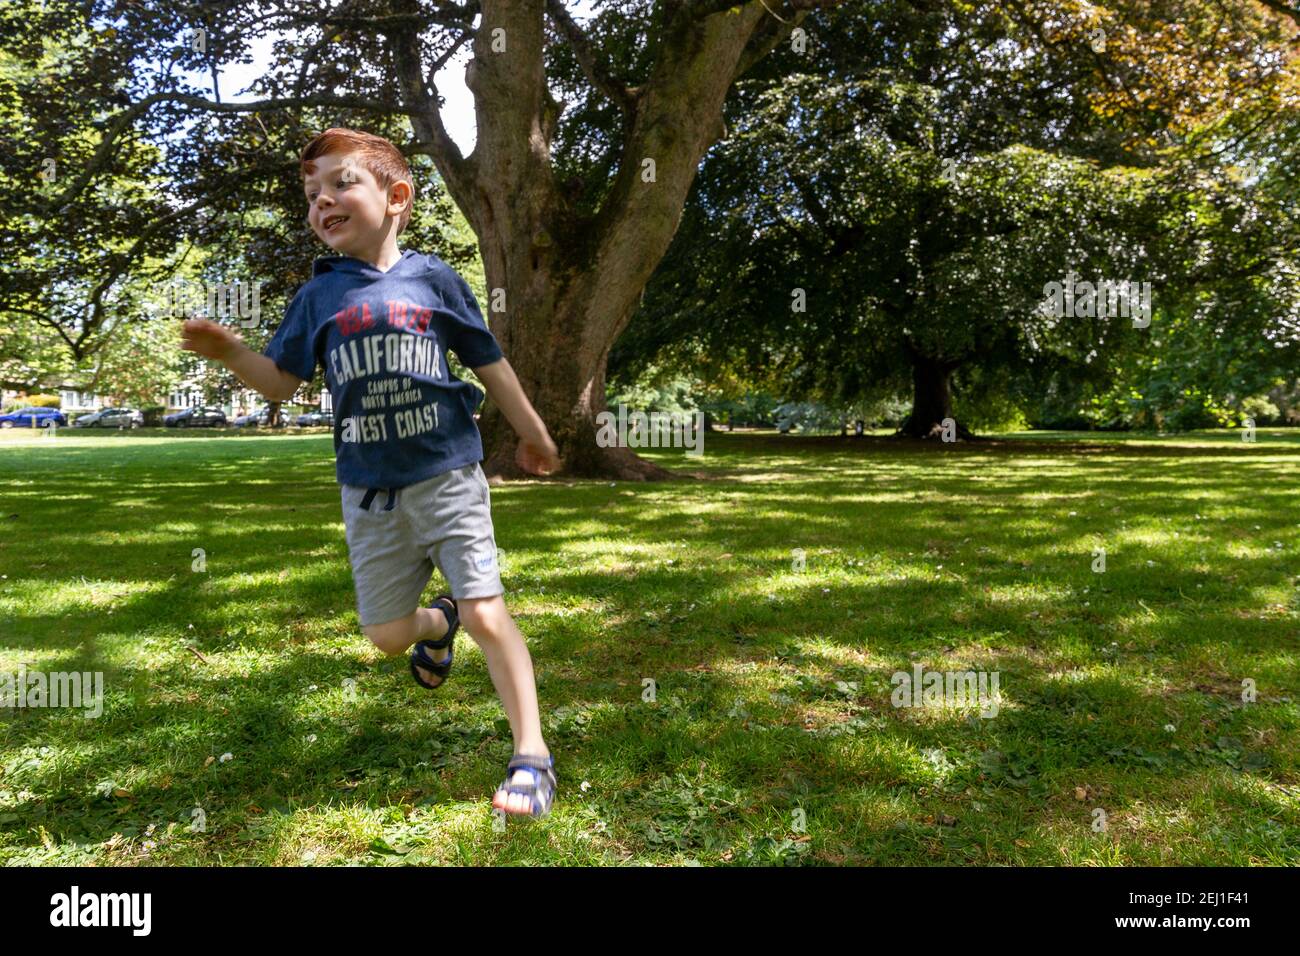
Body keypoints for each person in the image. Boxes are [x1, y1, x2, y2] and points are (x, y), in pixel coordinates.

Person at [180, 127, 562, 817]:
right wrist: (232, 352)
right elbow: (281, 382)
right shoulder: (318, 296)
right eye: (311, 194)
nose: (322, 201)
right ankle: (436, 625)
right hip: (369, 493)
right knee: (386, 636)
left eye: (340, 183)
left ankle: (531, 755)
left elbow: (489, 363)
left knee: (487, 609)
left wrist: (533, 432)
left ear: (397, 197)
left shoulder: (434, 279)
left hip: (448, 475)